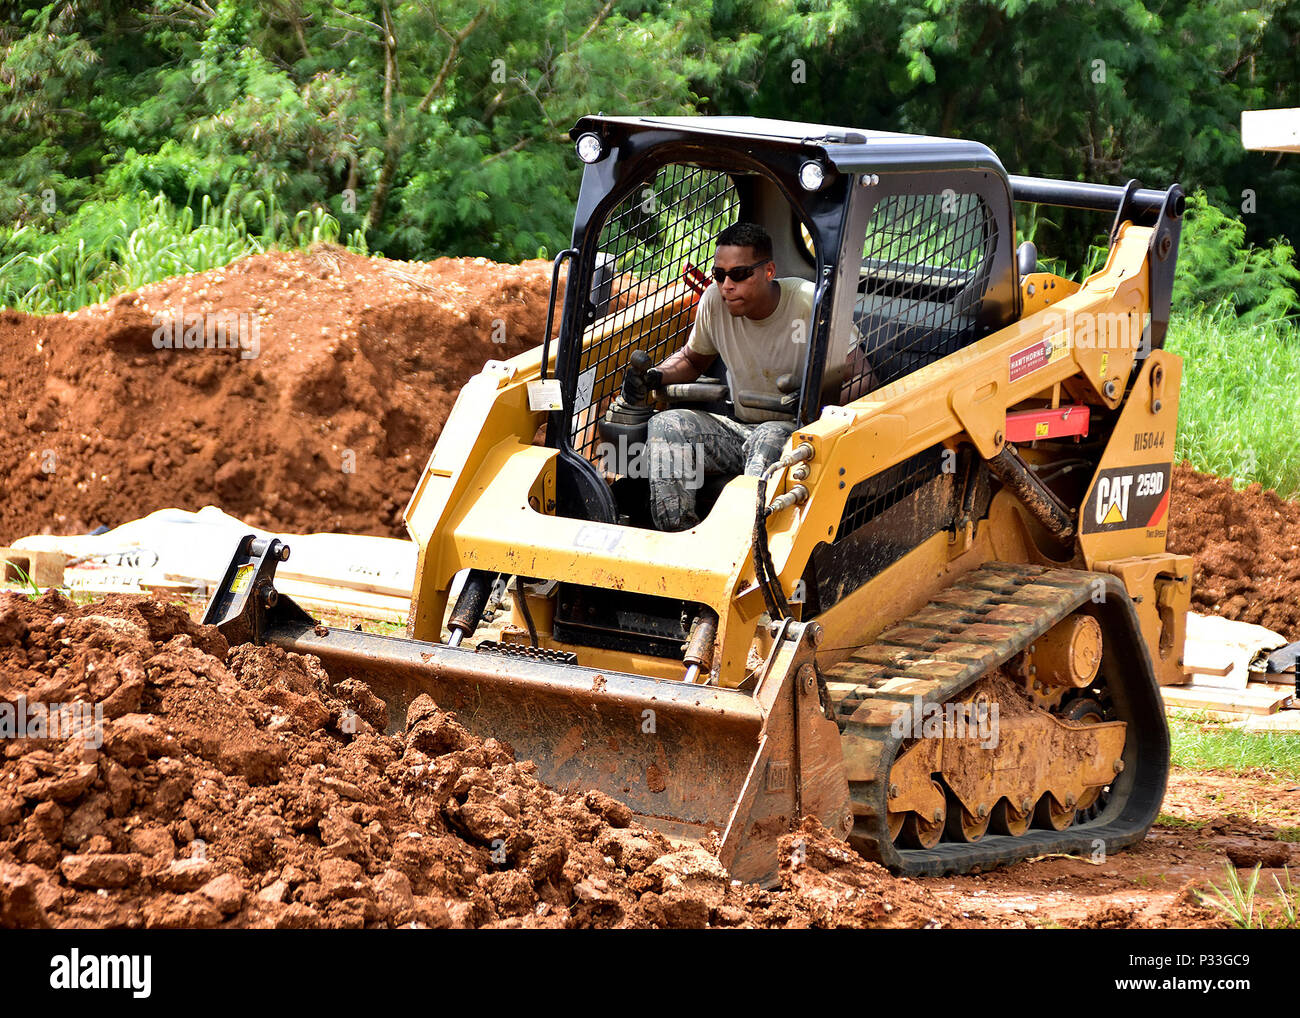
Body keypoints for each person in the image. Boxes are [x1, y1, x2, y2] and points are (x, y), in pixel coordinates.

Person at [626, 222, 812, 532]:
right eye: (719, 274)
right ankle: (678, 536)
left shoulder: (808, 302)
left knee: (768, 435)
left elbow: (860, 377)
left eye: (739, 274)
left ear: (769, 271)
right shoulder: (715, 302)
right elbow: (691, 359)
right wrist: (656, 376)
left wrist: (811, 395)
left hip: (796, 433)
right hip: (739, 428)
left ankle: (744, 543)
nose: (726, 285)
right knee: (667, 424)